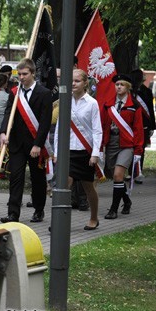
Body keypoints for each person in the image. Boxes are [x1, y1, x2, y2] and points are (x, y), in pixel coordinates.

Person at [0, 58, 52, 223]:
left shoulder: (44, 93)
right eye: (19, 74)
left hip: (35, 144)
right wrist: (2, 132)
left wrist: (38, 144)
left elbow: (45, 122)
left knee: (37, 179)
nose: (21, 77)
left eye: (24, 74)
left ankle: (38, 209)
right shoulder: (15, 93)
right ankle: (13, 213)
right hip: (17, 143)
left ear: (33, 74)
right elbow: (8, 113)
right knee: (16, 177)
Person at [54, 69, 103, 230]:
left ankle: (94, 217)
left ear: (85, 83)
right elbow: (59, 129)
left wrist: (95, 153)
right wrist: (56, 152)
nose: (73, 83)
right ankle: (58, 222)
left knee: (88, 188)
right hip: (68, 151)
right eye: (71, 81)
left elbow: (97, 130)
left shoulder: (92, 103)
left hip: (85, 152)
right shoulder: (65, 101)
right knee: (63, 185)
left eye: (77, 81)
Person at [100, 74, 144, 219]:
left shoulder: (134, 106)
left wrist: (138, 150)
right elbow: (103, 125)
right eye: (117, 84)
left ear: (128, 87)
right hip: (111, 142)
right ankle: (126, 201)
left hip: (127, 144)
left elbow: (138, 129)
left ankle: (113, 209)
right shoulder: (108, 104)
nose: (118, 87)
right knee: (115, 177)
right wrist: (101, 146)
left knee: (119, 175)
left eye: (122, 84)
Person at [130, 69, 156, 183]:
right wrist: (152, 125)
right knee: (136, 149)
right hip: (140, 124)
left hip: (141, 124)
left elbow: (149, 109)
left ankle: (136, 172)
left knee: (138, 148)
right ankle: (133, 172)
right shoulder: (132, 91)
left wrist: (152, 125)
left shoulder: (144, 91)